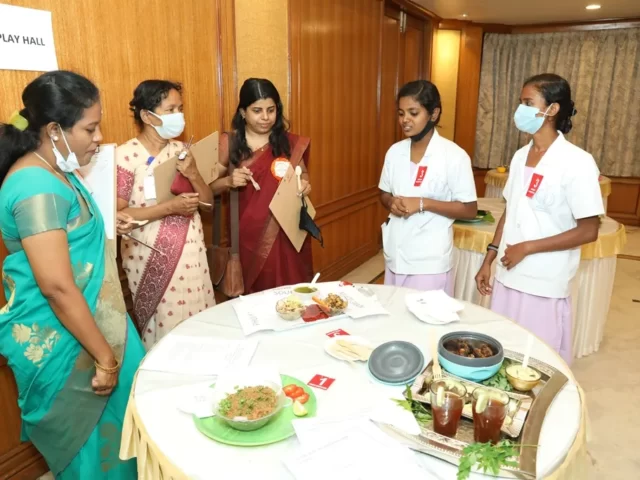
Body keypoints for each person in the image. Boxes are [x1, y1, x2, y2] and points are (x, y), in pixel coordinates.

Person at [0, 71, 143, 478]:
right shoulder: (35, 185)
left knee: (123, 437)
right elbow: (58, 287)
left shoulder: (54, 170)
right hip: (71, 340)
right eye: (90, 128)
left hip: (96, 322)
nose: (99, 138)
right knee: (94, 451)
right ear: (53, 131)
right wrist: (105, 358)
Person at [475, 73, 603, 363]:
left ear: (552, 109)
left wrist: (528, 247)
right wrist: (489, 258)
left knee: (537, 362)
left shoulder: (577, 162)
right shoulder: (520, 156)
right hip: (508, 273)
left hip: (543, 281)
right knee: (502, 353)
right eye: (520, 102)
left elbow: (589, 230)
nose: (520, 110)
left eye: (528, 103)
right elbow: (511, 211)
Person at [116, 80, 215, 348]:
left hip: (191, 255)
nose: (178, 115)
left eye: (180, 109)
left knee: (199, 330)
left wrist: (193, 174)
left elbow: (208, 204)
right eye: (170, 110)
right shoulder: (125, 156)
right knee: (165, 337)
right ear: (147, 116)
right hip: (149, 259)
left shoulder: (182, 151)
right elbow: (118, 215)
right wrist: (170, 208)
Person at [210, 78, 313, 294]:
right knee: (256, 296)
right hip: (248, 237)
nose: (265, 117)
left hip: (287, 230)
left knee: (291, 294)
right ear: (243, 112)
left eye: (271, 110)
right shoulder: (230, 142)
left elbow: (302, 175)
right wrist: (229, 181)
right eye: (257, 111)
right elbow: (207, 187)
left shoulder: (290, 142)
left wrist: (304, 185)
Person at [378, 80, 477, 294]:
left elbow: (469, 209)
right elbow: (383, 192)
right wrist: (391, 202)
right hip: (396, 253)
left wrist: (423, 203)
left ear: (434, 114)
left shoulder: (454, 156)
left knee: (425, 315)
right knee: (394, 312)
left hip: (429, 261)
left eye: (413, 113)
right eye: (401, 113)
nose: (405, 120)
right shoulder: (394, 152)